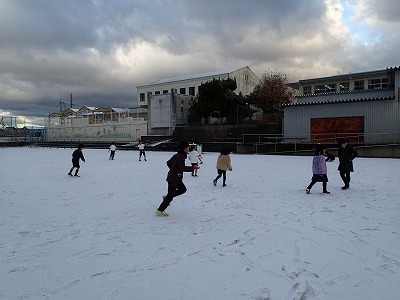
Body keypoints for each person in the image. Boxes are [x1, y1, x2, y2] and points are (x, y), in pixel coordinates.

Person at [156, 141, 199, 216]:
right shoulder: (181, 156)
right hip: (174, 179)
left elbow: (168, 163)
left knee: (182, 189)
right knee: (170, 196)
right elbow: (182, 168)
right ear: (184, 148)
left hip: (176, 178)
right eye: (188, 147)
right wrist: (193, 168)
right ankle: (160, 210)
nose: (188, 149)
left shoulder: (178, 155)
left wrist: (174, 169)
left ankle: (167, 196)